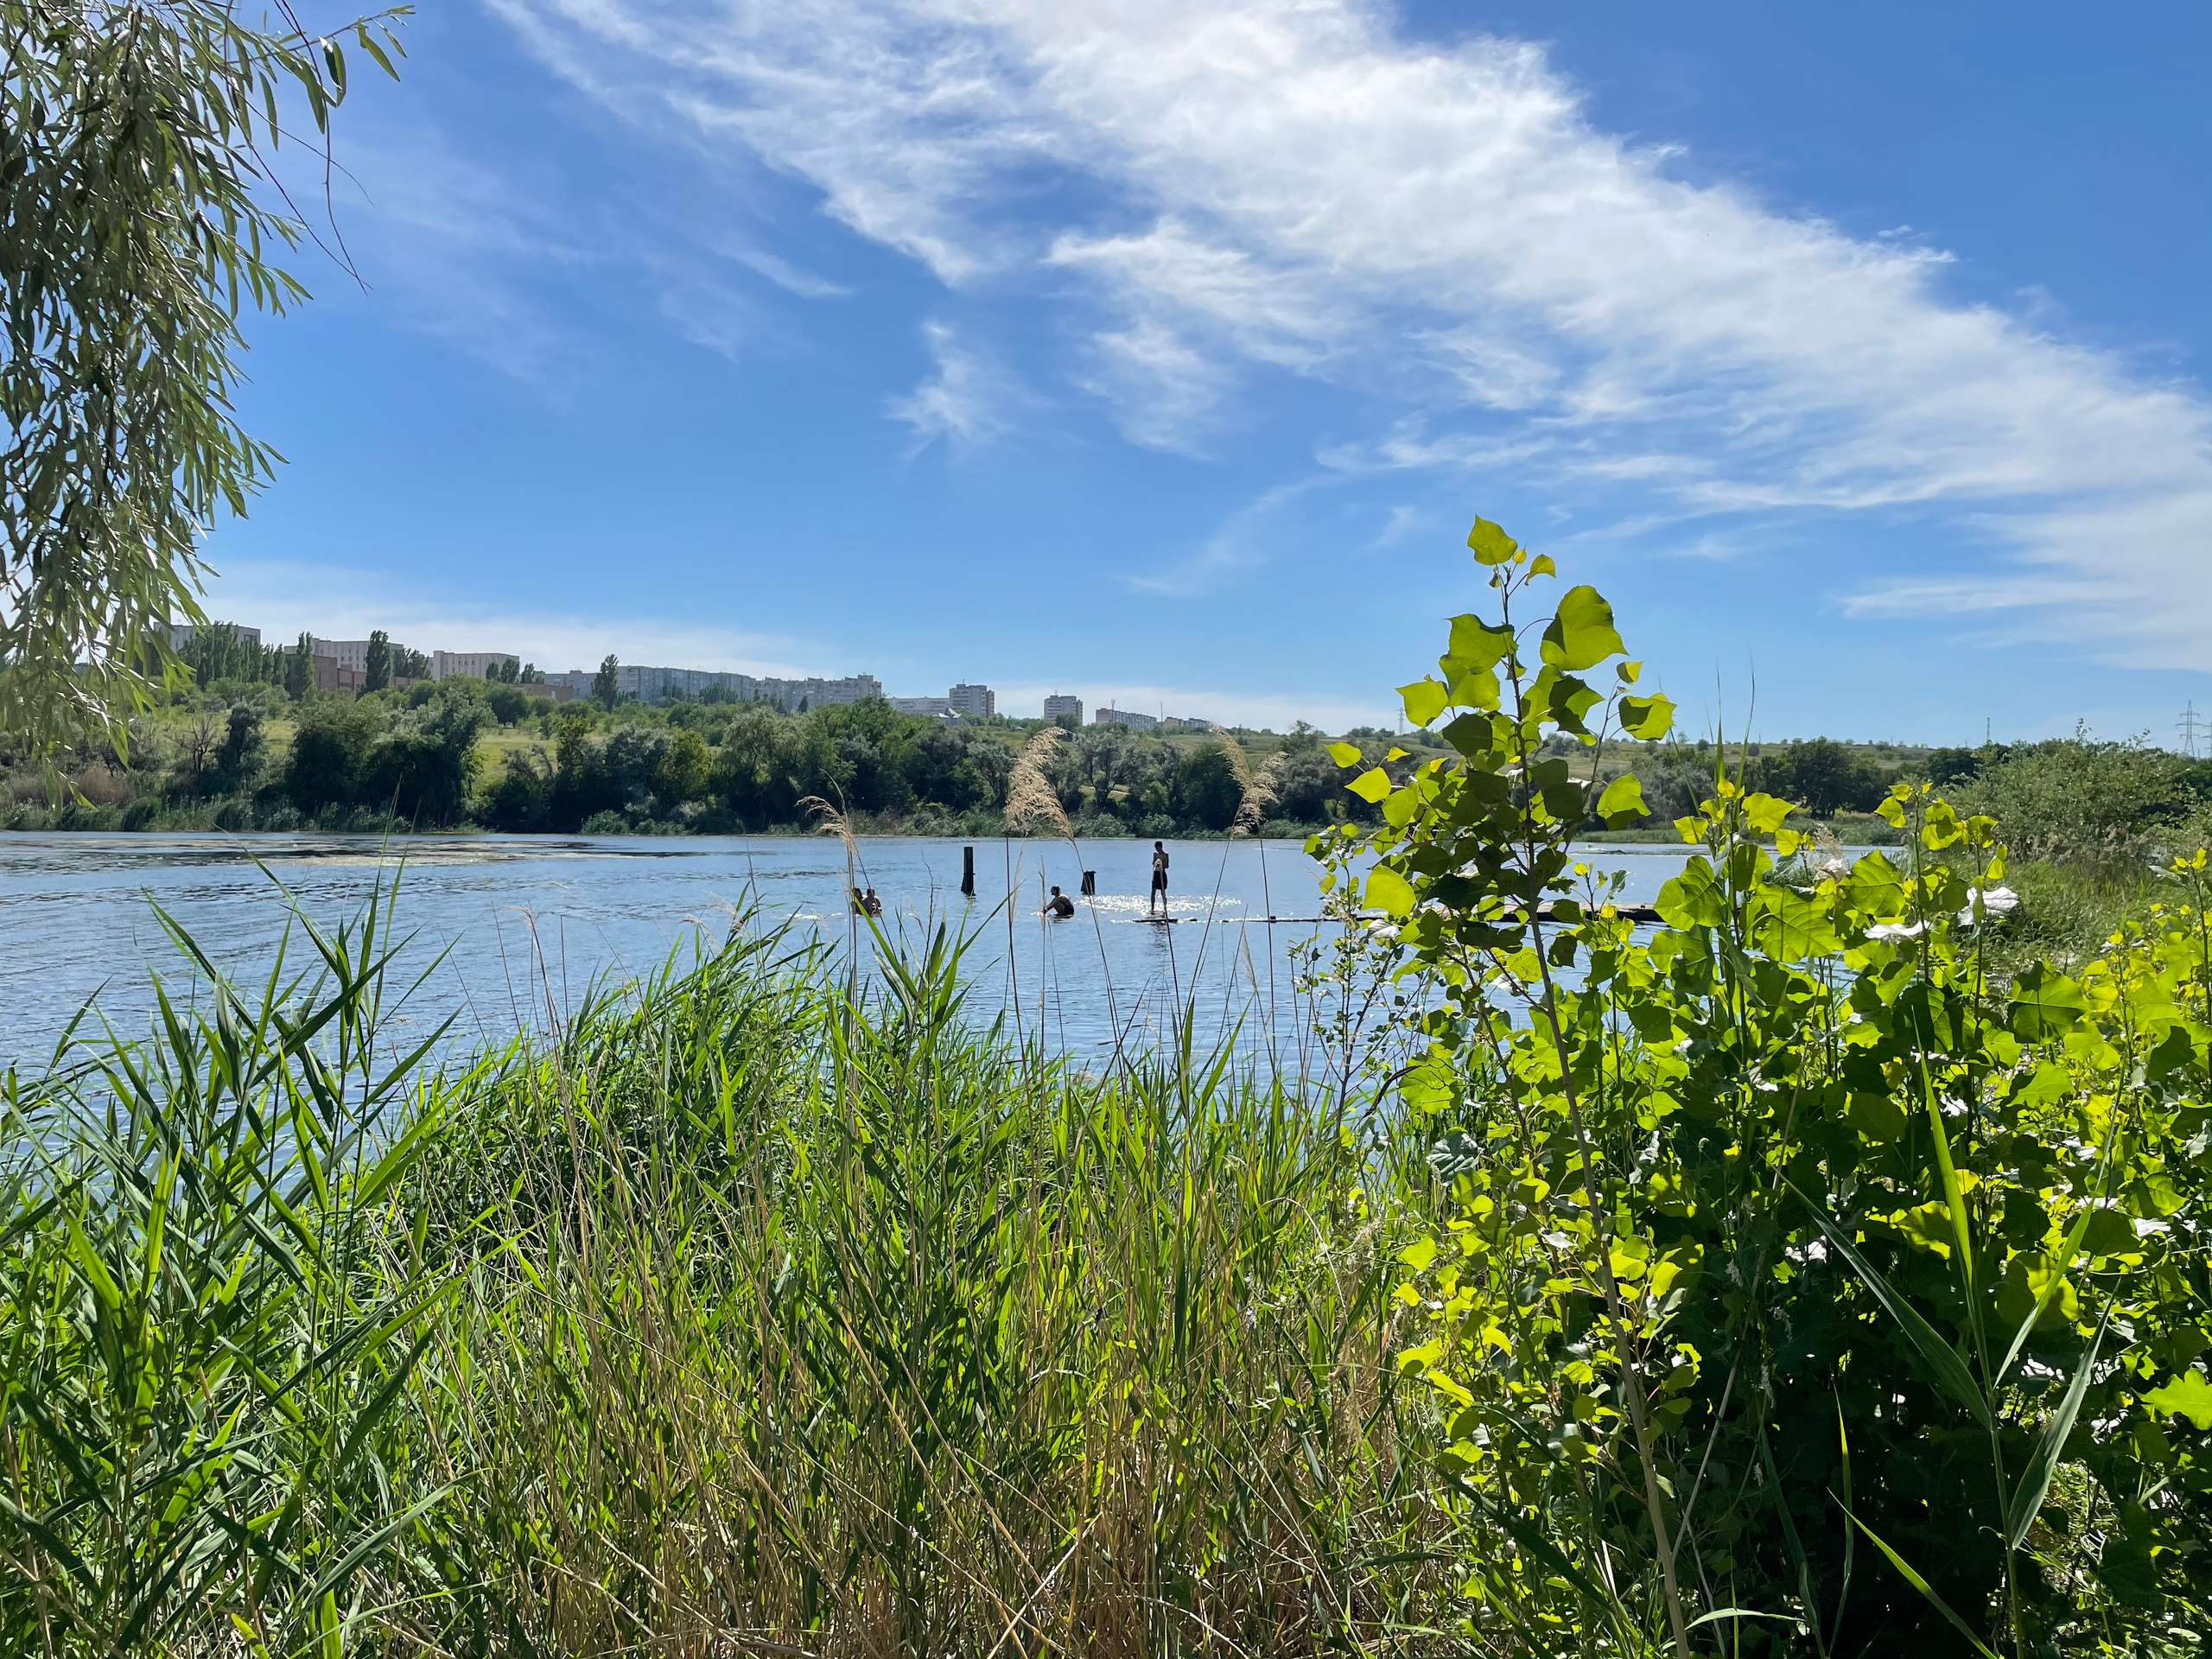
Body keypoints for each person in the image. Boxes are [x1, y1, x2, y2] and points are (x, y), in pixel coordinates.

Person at [1149, 841, 1170, 916]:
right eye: (1156, 848)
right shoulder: (1155, 854)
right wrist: (1156, 863)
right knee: (1153, 892)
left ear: (1161, 847)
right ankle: (1152, 908)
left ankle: (1165, 908)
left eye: (1157, 848)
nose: (1157, 849)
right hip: (1156, 874)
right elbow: (1153, 863)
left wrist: (1161, 864)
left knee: (1163, 892)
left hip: (1162, 873)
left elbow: (1167, 865)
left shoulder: (1166, 855)